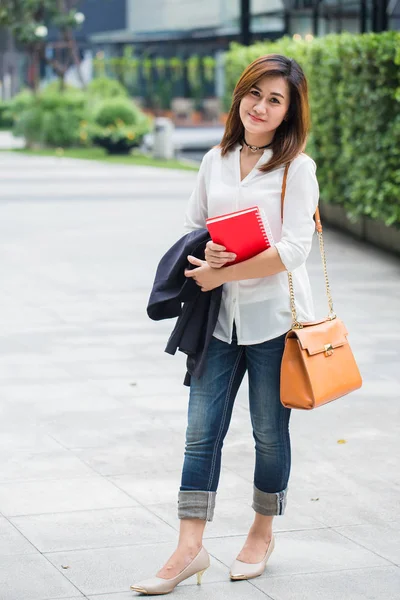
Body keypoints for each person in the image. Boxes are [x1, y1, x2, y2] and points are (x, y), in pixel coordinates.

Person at [131, 53, 319, 595]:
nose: (260, 106)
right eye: (253, 93)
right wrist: (209, 253)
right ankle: (189, 549)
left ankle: (261, 532)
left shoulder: (296, 169)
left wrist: (228, 270)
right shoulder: (216, 158)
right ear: (240, 96)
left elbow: (294, 250)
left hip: (275, 321)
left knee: (268, 433)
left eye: (275, 99)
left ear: (289, 112)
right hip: (218, 320)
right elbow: (195, 226)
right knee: (199, 433)